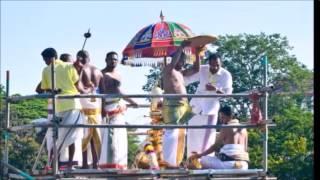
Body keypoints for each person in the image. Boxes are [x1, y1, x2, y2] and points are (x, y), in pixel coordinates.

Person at [40, 47, 84, 169]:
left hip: (58, 107)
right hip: (73, 104)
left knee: (56, 135)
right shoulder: (69, 66)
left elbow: (44, 88)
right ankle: (69, 164)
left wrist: (54, 90)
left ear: (51, 58)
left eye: (45, 59)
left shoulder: (45, 70)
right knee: (72, 135)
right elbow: (77, 85)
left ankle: (54, 164)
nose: (45, 62)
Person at [184, 53, 233, 157]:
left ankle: (204, 161)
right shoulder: (202, 69)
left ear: (221, 64)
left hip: (211, 109)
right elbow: (186, 79)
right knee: (192, 134)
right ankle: (191, 160)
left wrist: (216, 90)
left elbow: (228, 95)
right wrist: (175, 73)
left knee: (208, 136)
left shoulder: (226, 75)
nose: (214, 67)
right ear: (208, 63)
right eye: (212, 65)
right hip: (196, 107)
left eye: (217, 65)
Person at [98, 51, 138, 169]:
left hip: (118, 106)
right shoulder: (101, 74)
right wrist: (102, 110)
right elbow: (102, 93)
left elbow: (119, 92)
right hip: (108, 107)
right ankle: (108, 165)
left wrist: (131, 102)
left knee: (119, 136)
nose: (113, 61)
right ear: (106, 60)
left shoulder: (119, 74)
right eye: (111, 59)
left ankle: (119, 164)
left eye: (115, 59)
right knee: (110, 137)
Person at [161, 41, 196, 168]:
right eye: (181, 58)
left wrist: (198, 52)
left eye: (184, 59)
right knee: (172, 133)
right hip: (172, 105)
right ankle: (167, 163)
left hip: (183, 105)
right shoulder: (168, 69)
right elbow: (173, 63)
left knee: (181, 134)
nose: (183, 61)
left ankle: (175, 161)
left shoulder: (181, 73)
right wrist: (181, 47)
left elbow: (196, 69)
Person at [73, 50, 103, 169]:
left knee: (85, 135)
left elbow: (78, 87)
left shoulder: (80, 70)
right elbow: (103, 90)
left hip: (85, 105)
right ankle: (95, 163)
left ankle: (85, 163)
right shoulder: (98, 71)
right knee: (94, 135)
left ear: (79, 58)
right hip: (97, 106)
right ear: (89, 58)